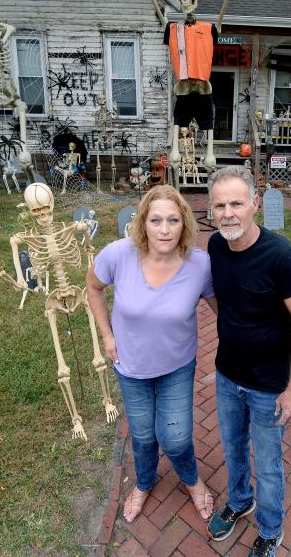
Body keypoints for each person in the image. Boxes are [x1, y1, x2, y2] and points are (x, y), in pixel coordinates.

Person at [87, 185, 217, 523]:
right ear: (143, 222)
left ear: (184, 223)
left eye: (173, 220)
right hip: (130, 366)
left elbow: (224, 311)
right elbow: (94, 288)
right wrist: (106, 335)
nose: (164, 229)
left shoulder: (200, 264)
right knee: (143, 435)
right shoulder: (118, 254)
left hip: (176, 365)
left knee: (174, 438)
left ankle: (192, 480)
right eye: (156, 220)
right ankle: (144, 483)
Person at [205, 166, 291, 557]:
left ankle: (270, 529)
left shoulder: (282, 257)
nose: (228, 213)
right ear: (212, 211)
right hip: (227, 373)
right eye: (220, 205)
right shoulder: (217, 246)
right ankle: (239, 501)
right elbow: (221, 297)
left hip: (269, 385)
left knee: (268, 464)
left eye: (236, 203)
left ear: (254, 204)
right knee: (232, 448)